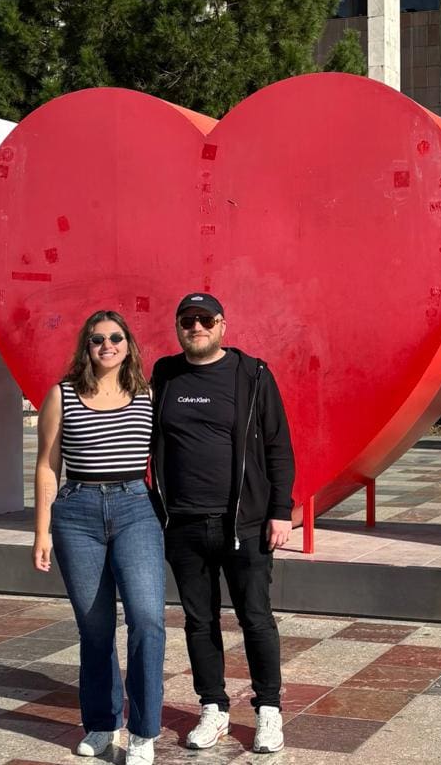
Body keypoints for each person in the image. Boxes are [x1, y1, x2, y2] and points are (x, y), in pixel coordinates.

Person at [149, 292, 295, 754]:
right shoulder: (165, 374)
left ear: (222, 325)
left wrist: (280, 510)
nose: (196, 326)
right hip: (184, 524)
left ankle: (268, 710)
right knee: (198, 621)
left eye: (204, 319)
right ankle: (212, 706)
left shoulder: (252, 374)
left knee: (256, 618)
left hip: (244, 523)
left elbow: (278, 446)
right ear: (178, 327)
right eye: (187, 320)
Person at [33, 310, 165, 765]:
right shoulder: (62, 394)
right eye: (96, 340)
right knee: (95, 627)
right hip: (77, 513)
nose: (106, 345)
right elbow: (48, 467)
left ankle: (144, 731)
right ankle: (103, 723)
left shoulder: (148, 396)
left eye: (115, 337)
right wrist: (42, 533)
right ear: (85, 347)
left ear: (128, 343)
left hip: (135, 508)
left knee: (147, 618)